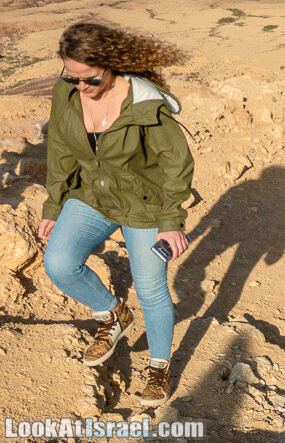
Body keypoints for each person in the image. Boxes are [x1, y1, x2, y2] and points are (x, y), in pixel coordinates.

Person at [38, 22, 194, 407]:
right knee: (58, 263)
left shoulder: (144, 104)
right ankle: (113, 314)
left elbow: (176, 163)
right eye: (70, 76)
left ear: (110, 65)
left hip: (143, 204)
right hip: (91, 194)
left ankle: (159, 366)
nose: (80, 86)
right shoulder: (68, 93)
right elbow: (59, 148)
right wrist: (54, 204)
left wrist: (171, 222)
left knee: (150, 287)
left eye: (88, 78)